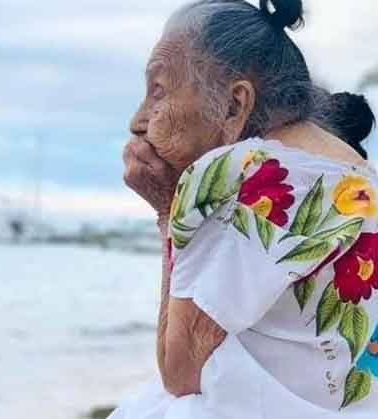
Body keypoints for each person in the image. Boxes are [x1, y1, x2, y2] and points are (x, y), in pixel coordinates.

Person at [117, 1, 378, 418]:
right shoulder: (365, 178)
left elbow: (180, 372)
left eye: (158, 91)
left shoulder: (236, 173)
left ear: (235, 104)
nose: (138, 119)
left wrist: (168, 211)